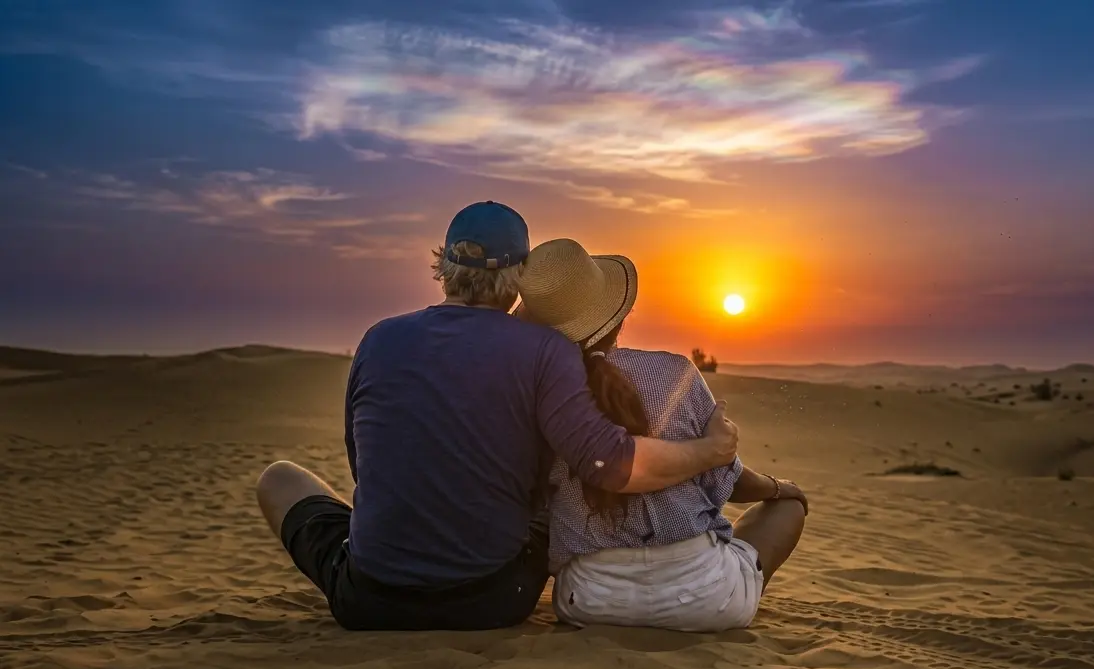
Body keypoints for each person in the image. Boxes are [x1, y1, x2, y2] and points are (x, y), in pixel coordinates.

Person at [254, 202, 741, 631]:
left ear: (443, 265)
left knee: (280, 479)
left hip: (371, 601)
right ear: (519, 277)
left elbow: (362, 466)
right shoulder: (545, 349)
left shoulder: (378, 338)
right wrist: (709, 452)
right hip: (493, 600)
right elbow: (606, 464)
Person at [516, 238, 807, 632]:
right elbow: (731, 481)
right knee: (788, 507)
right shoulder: (676, 374)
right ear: (617, 318)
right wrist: (779, 488)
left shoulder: (535, 391)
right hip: (708, 599)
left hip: (587, 601)